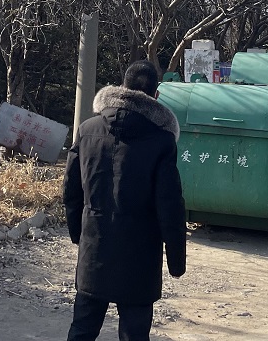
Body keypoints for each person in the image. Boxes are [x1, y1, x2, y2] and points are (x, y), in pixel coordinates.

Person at [63, 60, 187, 341]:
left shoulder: (87, 130)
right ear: (155, 95)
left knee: (82, 330)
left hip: (94, 248)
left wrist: (79, 235)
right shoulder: (162, 141)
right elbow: (170, 206)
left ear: (122, 87)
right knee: (134, 335)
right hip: (140, 258)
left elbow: (71, 191)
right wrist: (176, 261)